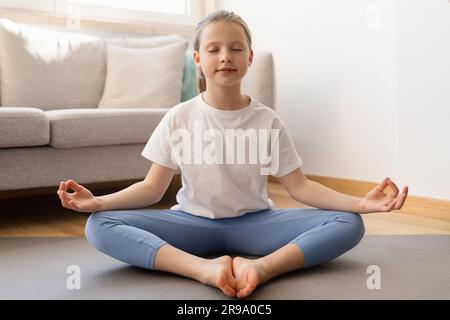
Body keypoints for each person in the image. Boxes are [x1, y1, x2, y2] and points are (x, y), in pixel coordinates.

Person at [57, 10, 408, 299]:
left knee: (349, 223)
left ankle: (261, 267)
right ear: (198, 60)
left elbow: (301, 188)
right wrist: (99, 203)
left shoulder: (268, 121)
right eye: (213, 49)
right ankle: (203, 269)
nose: (225, 56)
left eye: (236, 48)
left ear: (250, 58)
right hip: (191, 223)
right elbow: (151, 189)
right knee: (99, 226)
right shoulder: (178, 117)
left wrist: (360, 204)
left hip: (255, 224)